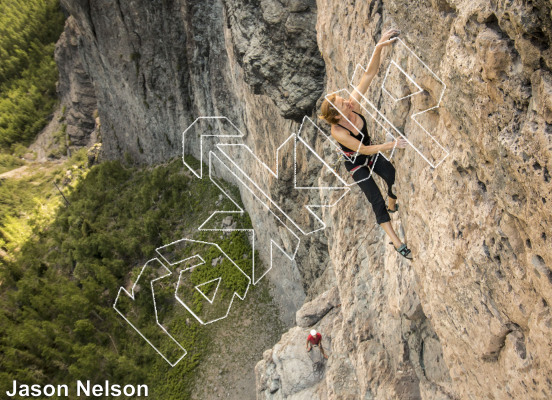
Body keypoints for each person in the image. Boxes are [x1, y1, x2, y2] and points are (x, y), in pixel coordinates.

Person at [318, 28, 413, 260]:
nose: (349, 101)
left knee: (392, 175)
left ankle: (393, 204)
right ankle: (397, 241)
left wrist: (378, 46)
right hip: (356, 163)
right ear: (338, 113)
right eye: (343, 102)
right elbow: (363, 149)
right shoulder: (338, 131)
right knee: (376, 200)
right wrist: (391, 146)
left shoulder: (353, 105)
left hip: (369, 152)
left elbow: (368, 76)